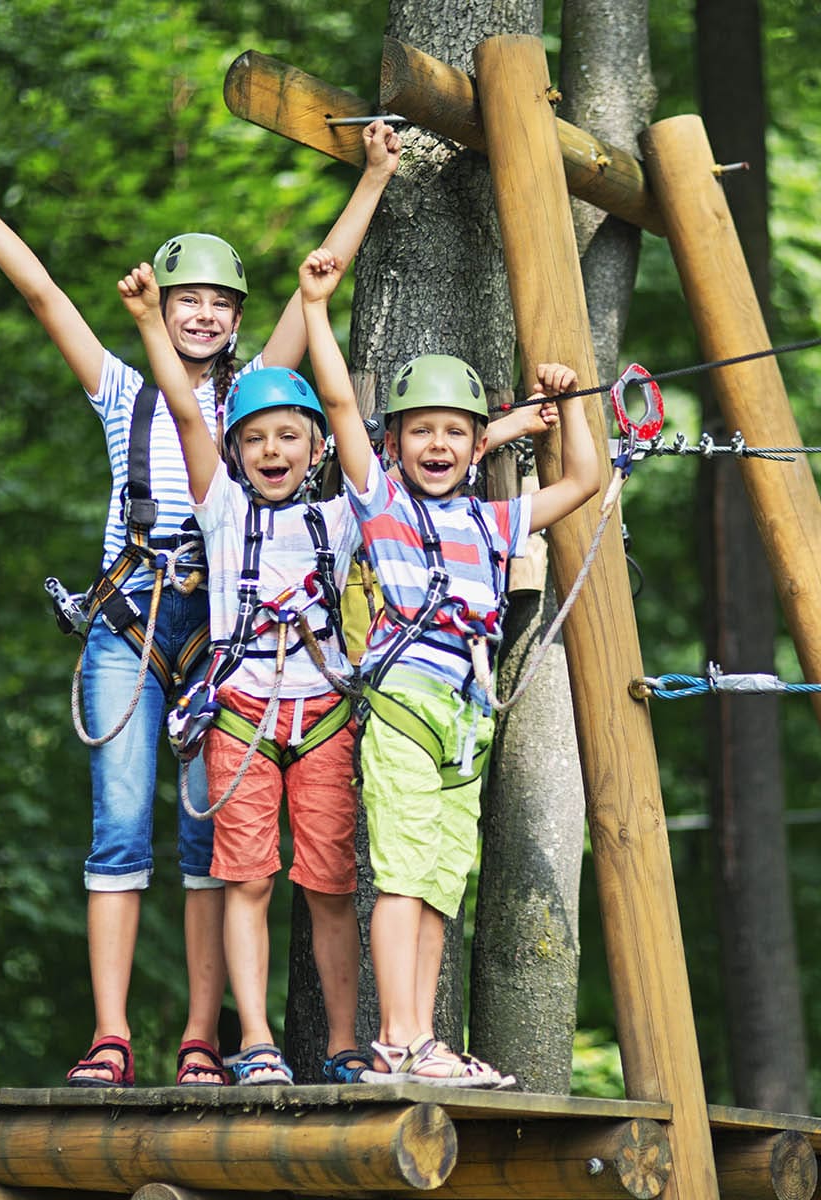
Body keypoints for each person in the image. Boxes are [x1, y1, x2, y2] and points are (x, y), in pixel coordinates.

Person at [0, 121, 401, 1087]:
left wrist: (378, 178)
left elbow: (321, 284)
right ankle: (110, 1035)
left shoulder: (263, 400)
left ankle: (199, 1036)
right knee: (117, 826)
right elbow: (43, 294)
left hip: (226, 635)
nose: (203, 315)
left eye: (220, 303)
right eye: (188, 300)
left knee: (208, 846)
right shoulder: (125, 393)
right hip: (131, 623)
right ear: (165, 306)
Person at [302, 247, 599, 1085]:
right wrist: (318, 311)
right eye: (421, 431)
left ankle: (423, 1039)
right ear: (393, 443)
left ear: (477, 448)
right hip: (403, 705)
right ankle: (398, 1038)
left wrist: (569, 403)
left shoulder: (494, 522)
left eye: (455, 433)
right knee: (398, 872)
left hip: (465, 720)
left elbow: (581, 478)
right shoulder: (381, 500)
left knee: (440, 882)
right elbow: (335, 400)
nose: (438, 444)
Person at [120, 256, 373, 1086]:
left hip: (324, 715)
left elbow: (351, 414)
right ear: (235, 453)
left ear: (316, 448)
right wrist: (155, 324)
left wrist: (317, 303)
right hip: (239, 720)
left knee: (332, 885)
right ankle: (257, 1040)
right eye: (256, 439)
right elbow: (192, 421)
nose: (272, 450)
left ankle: (341, 1043)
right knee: (247, 879)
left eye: (288, 437)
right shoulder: (221, 506)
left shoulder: (344, 516)